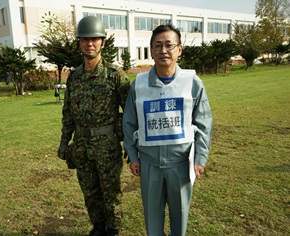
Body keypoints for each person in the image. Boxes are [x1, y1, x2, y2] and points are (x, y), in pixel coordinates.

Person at [123, 24, 213, 236]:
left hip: (180, 163)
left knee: (179, 214)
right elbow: (129, 122)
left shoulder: (192, 83)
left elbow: (204, 123)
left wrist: (200, 158)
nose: (163, 50)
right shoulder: (139, 84)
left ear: (179, 49)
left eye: (169, 45)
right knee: (152, 214)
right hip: (149, 163)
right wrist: (133, 155)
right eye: (158, 46)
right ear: (151, 50)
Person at [57, 16, 130, 236]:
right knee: (89, 191)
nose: (90, 44)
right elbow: (68, 113)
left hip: (107, 146)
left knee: (111, 192)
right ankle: (98, 227)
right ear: (79, 43)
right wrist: (64, 143)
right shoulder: (74, 77)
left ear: (103, 43)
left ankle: (113, 230)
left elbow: (130, 113)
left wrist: (131, 144)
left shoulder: (115, 75)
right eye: (85, 39)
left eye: (95, 39)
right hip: (81, 145)